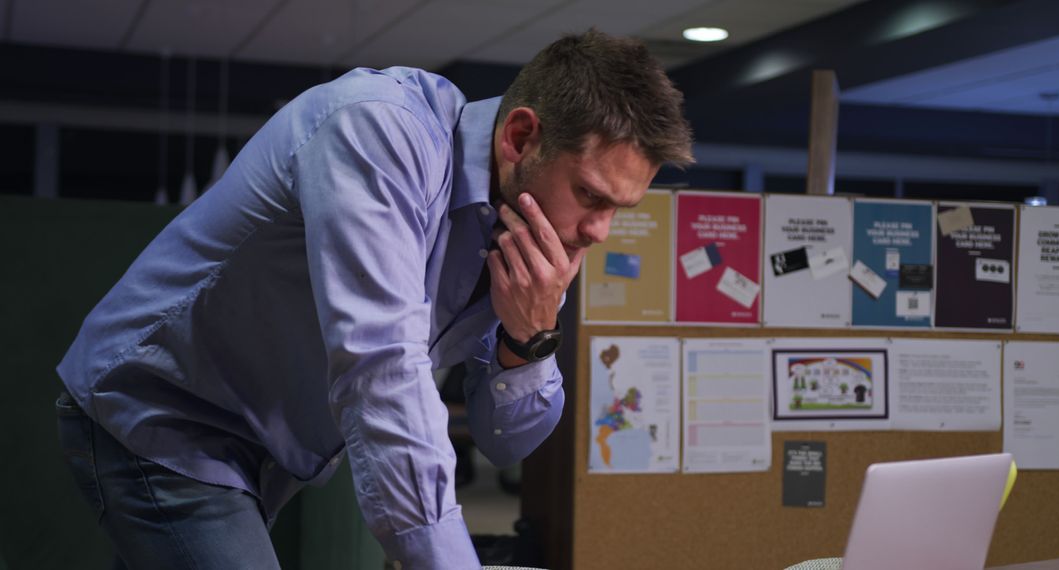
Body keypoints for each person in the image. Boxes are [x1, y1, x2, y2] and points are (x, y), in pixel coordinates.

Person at [55, 29, 693, 569]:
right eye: (593, 195)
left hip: (265, 446)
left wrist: (528, 340)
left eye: (620, 209)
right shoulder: (379, 130)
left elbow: (505, 445)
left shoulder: (531, 230)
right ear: (521, 138)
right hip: (165, 407)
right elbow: (381, 368)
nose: (600, 231)